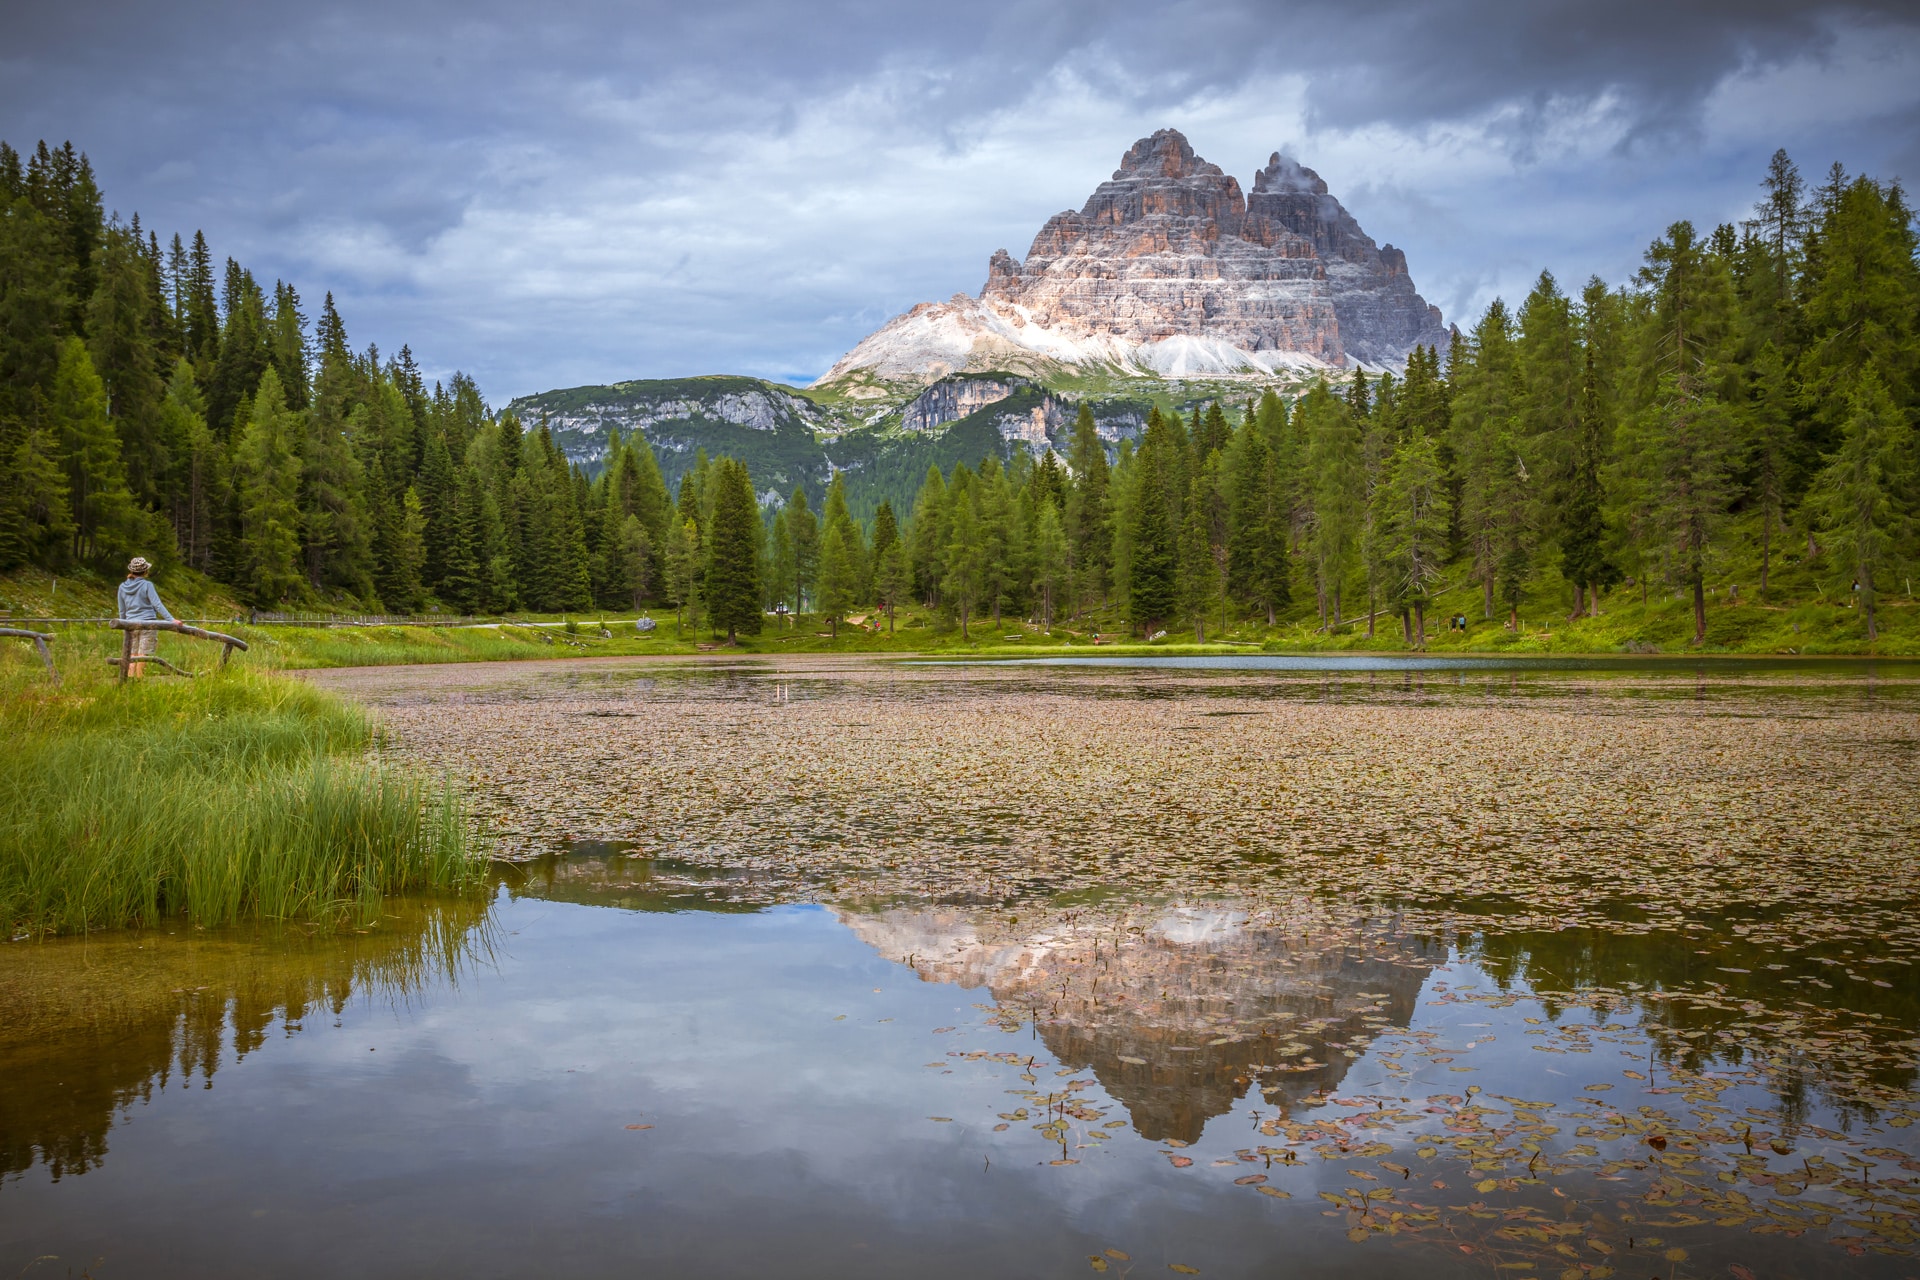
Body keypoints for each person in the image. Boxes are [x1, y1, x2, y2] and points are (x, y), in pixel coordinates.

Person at [117, 556, 175, 677]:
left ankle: (129, 680)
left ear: (131, 571)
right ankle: (139, 679)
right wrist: (171, 620)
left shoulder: (122, 587)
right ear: (145, 571)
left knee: (132, 654)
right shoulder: (147, 585)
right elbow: (157, 605)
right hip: (147, 624)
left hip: (130, 624)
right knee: (143, 654)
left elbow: (122, 611)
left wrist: (124, 626)